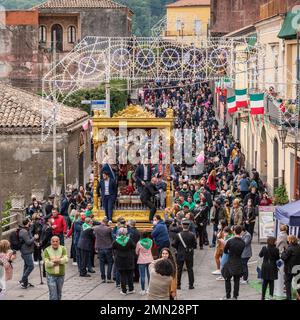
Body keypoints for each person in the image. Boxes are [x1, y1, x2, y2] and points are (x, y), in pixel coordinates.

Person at [221, 225, 245, 300]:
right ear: (241, 232)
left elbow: (225, 251)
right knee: (236, 280)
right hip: (238, 261)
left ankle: (228, 295)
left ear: (234, 231)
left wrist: (229, 251)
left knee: (227, 279)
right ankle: (235, 296)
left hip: (230, 261)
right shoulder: (243, 242)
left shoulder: (230, 241)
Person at [172, 219, 197, 290]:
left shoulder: (178, 235)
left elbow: (174, 244)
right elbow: (195, 245)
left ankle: (178, 285)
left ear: (182, 226)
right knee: (190, 269)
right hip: (189, 254)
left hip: (180, 253)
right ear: (188, 226)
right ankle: (191, 285)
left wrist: (179, 248)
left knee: (179, 270)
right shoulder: (192, 235)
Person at [112, 227, 136, 295]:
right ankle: (131, 289)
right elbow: (134, 247)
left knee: (122, 275)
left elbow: (112, 247)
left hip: (120, 260)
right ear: (126, 233)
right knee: (130, 275)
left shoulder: (116, 241)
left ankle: (124, 290)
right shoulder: (129, 240)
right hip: (129, 259)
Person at [43, 236, 68, 300]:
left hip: (60, 275)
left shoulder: (63, 249)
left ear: (59, 242)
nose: (55, 243)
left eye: (56, 241)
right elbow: (47, 263)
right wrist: (55, 262)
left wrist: (58, 260)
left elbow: (66, 259)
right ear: (51, 242)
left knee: (59, 294)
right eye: (53, 241)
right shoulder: (47, 250)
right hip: (51, 275)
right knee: (53, 295)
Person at [94, 217, 114, 283]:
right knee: (110, 262)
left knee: (101, 263)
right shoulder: (108, 229)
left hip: (99, 247)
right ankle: (108, 278)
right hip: (108, 247)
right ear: (107, 222)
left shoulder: (96, 228)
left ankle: (103, 278)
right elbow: (112, 238)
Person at [19, 218, 38, 289]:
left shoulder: (26, 229)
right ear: (27, 223)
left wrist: (36, 243)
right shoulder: (24, 231)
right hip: (26, 252)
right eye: (30, 222)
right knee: (31, 266)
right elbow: (28, 242)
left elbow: (30, 237)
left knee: (26, 266)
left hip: (27, 251)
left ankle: (25, 284)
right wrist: (34, 238)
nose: (31, 222)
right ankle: (23, 280)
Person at [281, 235, 300, 300]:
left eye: (288, 240)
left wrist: (283, 251)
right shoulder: (299, 246)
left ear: (290, 240)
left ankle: (288, 297)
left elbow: (283, 257)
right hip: (297, 268)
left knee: (287, 282)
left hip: (289, 269)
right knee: (297, 282)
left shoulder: (289, 248)